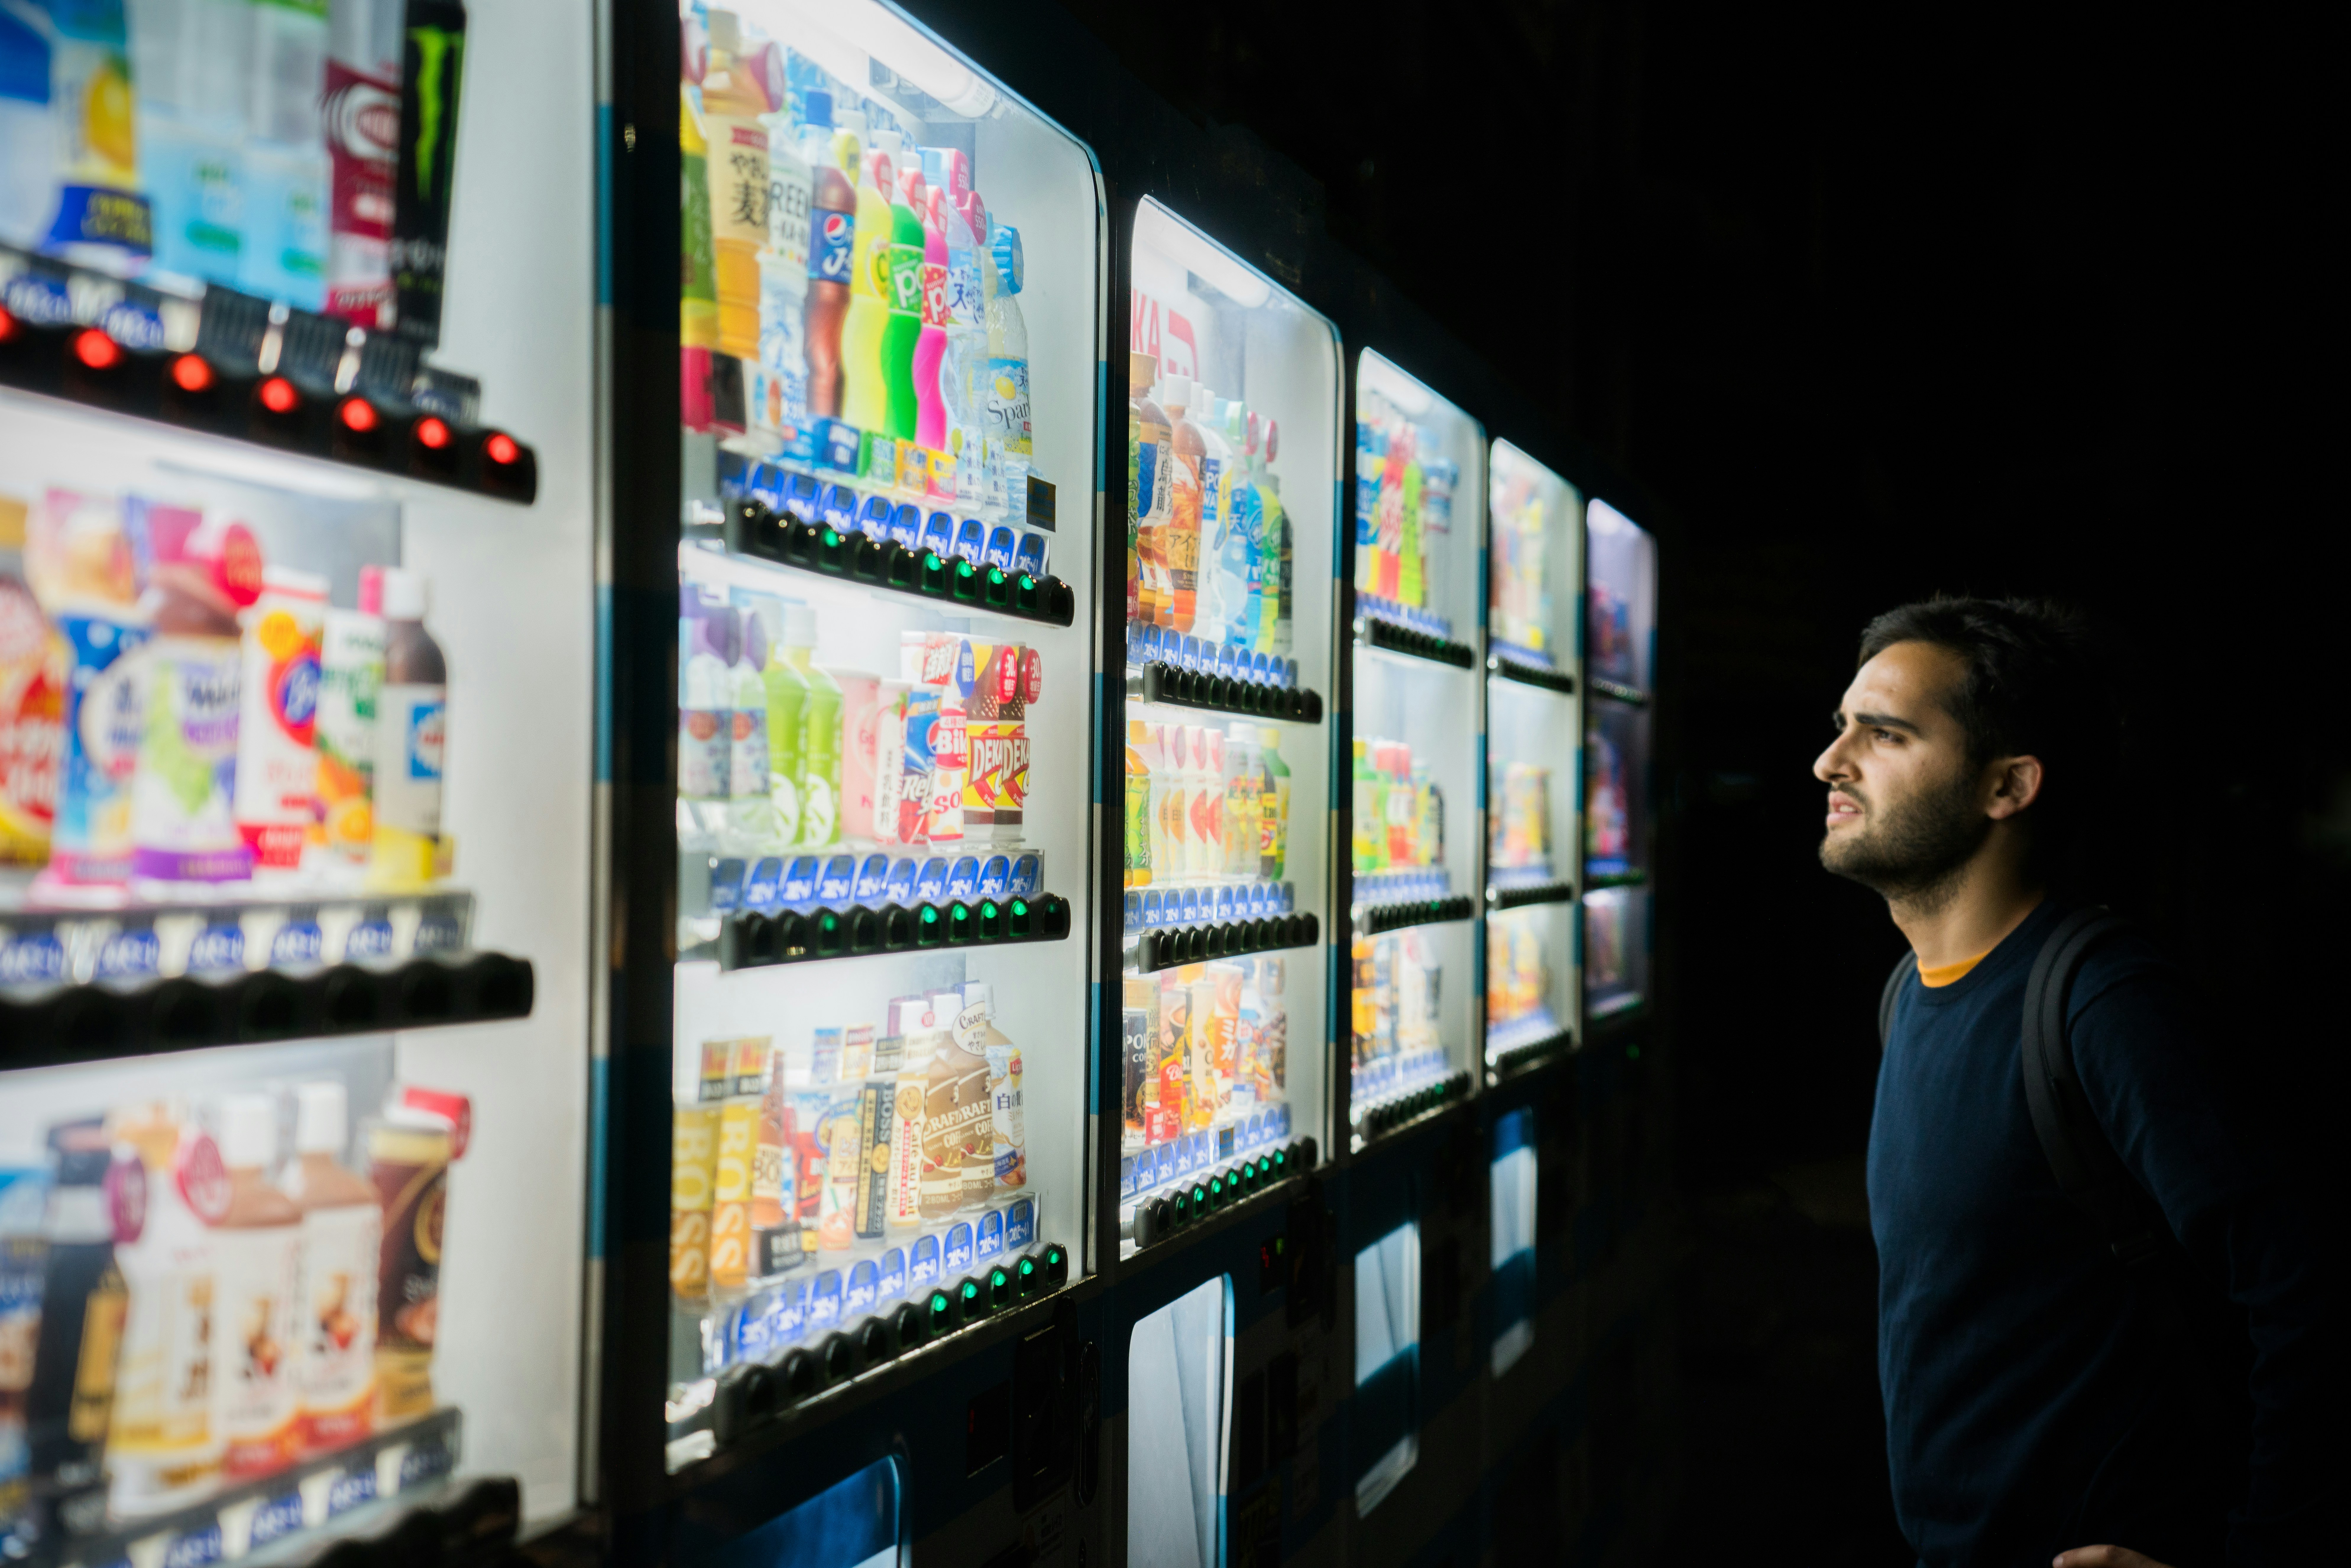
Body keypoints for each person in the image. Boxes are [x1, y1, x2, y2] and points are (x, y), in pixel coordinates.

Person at [1813, 596, 2321, 1567]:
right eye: (1842, 729)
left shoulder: (2105, 1004)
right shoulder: (1909, 995)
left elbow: (2303, 1295)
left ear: (2008, 786)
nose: (1830, 763)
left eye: (1884, 735)